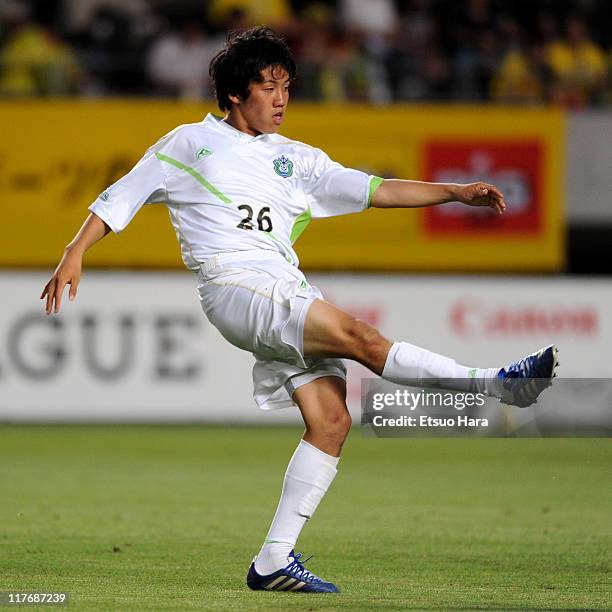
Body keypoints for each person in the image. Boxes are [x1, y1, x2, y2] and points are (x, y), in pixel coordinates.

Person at [41, 26, 558, 594]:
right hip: (235, 286)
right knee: (360, 335)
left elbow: (377, 190)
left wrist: (455, 191)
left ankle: (272, 562)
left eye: (287, 86)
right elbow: (122, 195)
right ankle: (496, 385)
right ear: (236, 93)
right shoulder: (189, 143)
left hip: (281, 285)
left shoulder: (297, 159)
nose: (281, 98)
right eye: (267, 86)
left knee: (331, 421)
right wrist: (75, 251)